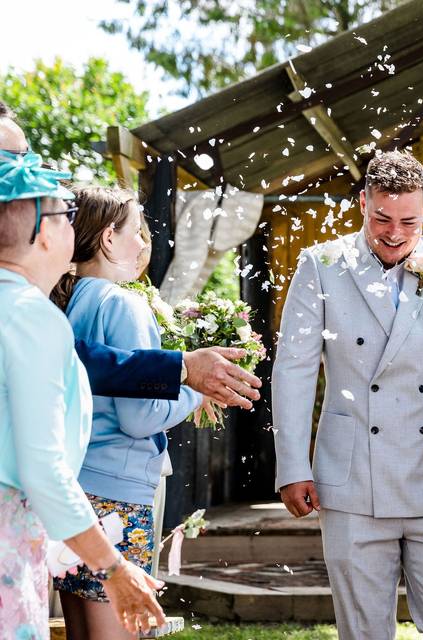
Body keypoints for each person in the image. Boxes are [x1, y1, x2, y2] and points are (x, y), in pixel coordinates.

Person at [272, 150, 423, 640]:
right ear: (363, 202)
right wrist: (292, 466)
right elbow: (293, 369)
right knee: (362, 632)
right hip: (350, 477)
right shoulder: (320, 264)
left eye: (409, 221)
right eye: (381, 217)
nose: (394, 232)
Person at [0, 99, 261, 410]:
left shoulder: (58, 299)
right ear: (107, 237)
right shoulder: (113, 301)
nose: (31, 171)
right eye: (16, 159)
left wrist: (182, 369)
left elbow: (62, 356)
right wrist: (190, 381)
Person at [0, 151, 165, 638]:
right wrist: (113, 568)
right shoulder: (29, 317)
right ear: (44, 231)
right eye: (67, 216)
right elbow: (42, 467)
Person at [51, 185, 206, 639]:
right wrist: (197, 392)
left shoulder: (68, 300)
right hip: (117, 496)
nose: (141, 243)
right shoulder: (123, 303)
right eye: (135, 231)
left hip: (75, 496)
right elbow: (139, 418)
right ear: (107, 239)